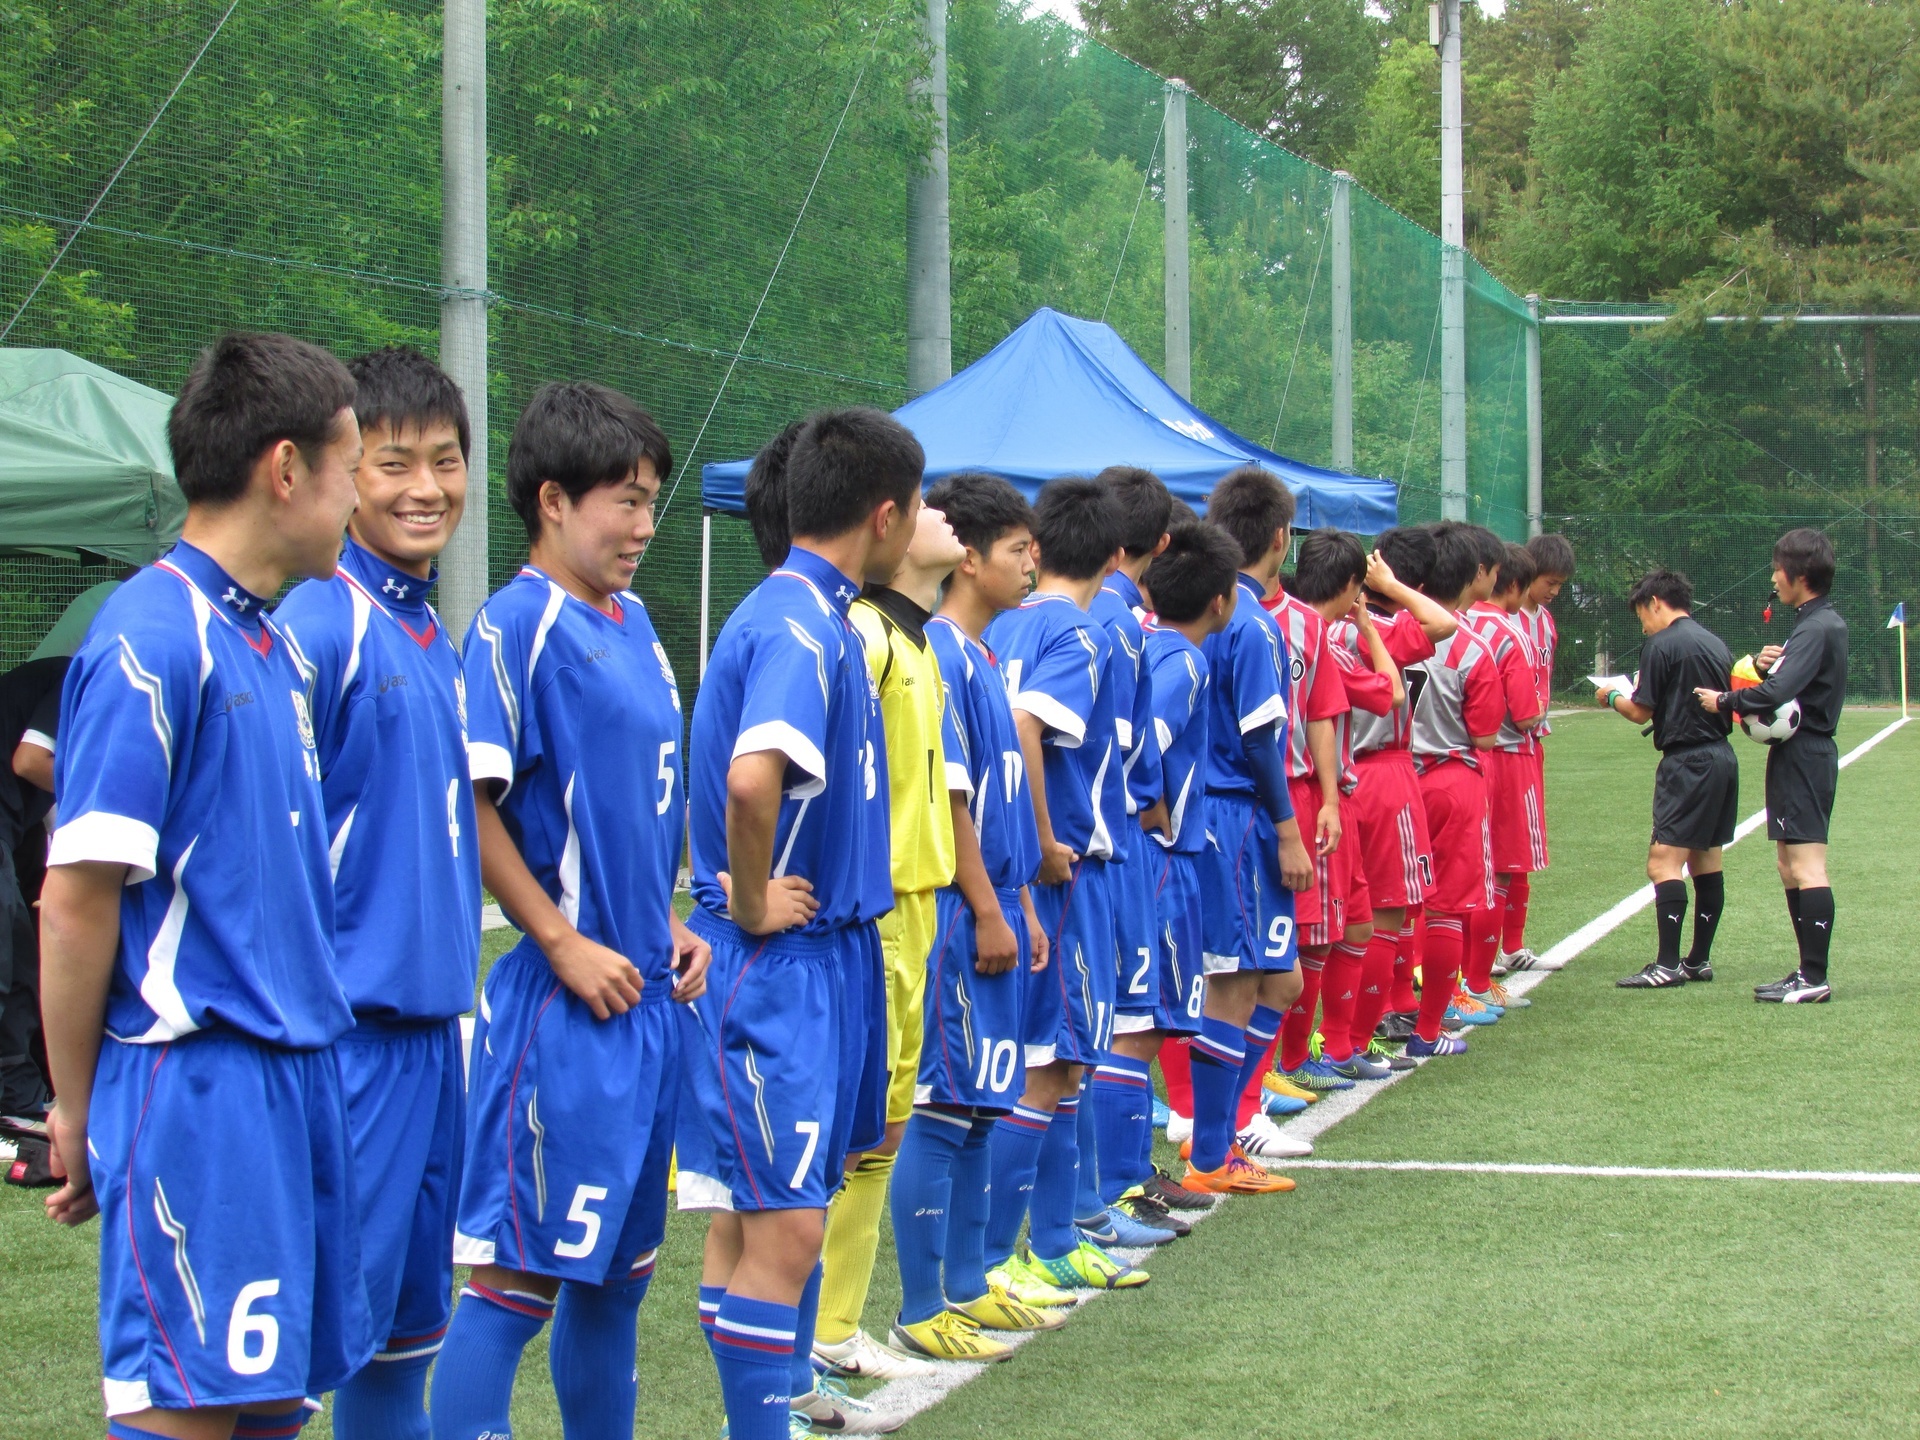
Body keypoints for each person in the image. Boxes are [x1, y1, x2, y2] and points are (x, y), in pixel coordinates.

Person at [41, 332, 367, 1440]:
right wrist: (77, 1108)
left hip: (294, 1080)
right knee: (191, 1409)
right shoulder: (151, 634)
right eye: (352, 466)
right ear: (287, 470)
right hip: (198, 1091)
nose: (361, 496)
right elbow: (78, 897)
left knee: (272, 1402)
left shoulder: (269, 644)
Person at [431, 381, 710, 1440]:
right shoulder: (516, 623)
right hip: (563, 1019)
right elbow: (474, 798)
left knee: (617, 1283)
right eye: (624, 502)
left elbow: (628, 803)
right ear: (552, 500)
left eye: (651, 502)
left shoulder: (632, 617)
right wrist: (561, 942)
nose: (643, 527)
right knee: (516, 1286)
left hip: (648, 1002)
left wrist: (667, 924)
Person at [680, 407, 912, 1440]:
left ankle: (771, 1414)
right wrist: (745, 892)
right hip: (781, 962)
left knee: (764, 1215)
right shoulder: (795, 622)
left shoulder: (823, 616)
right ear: (887, 514)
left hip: (826, 960)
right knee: (785, 1229)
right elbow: (749, 782)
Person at [275, 347, 480, 1440]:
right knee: (296, 1366)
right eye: (393, 462)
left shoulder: (422, 626)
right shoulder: (321, 619)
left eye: (444, 462)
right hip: (349, 1044)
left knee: (404, 1346)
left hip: (429, 1042)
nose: (424, 488)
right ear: (344, 472)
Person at [887, 470, 1069, 1359]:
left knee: (983, 1105)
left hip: (998, 907)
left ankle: (966, 1283)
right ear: (967, 556)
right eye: (1014, 551)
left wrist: (1023, 901)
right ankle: (922, 1303)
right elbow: (948, 800)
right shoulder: (940, 654)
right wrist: (989, 907)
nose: (1029, 566)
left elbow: (992, 800)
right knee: (944, 1104)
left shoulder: (984, 654)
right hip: (961, 919)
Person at [982, 476, 1153, 1292]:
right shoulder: (1077, 636)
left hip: (1002, 872)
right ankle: (1026, 1248)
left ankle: (1040, 1239)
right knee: (1056, 1064)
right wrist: (1045, 838)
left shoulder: (1000, 627)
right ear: (1117, 555)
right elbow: (1025, 731)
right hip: (1056, 873)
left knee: (1046, 1061)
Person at [811, 498, 968, 1375]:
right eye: (925, 507)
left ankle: (836, 1325)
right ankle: (820, 1327)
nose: (940, 518)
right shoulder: (864, 634)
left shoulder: (921, 638)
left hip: (923, 906)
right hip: (879, 913)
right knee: (855, 1131)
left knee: (888, 1127)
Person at [1183, 466, 1313, 1195]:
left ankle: (1230, 1123)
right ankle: (1212, 1151)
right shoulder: (1251, 622)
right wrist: (1287, 829)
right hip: (1235, 814)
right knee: (1232, 984)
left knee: (1278, 978)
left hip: (1210, 808)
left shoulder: (1191, 613)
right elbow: (1262, 740)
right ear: (1279, 539)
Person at [1137, 522, 1260, 1176]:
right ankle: (1207, 1149)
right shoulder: (1183, 660)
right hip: (1174, 855)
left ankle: (1213, 1144)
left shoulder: (1154, 643)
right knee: (1195, 1000)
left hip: (1176, 850)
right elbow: (1145, 744)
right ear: (1222, 600)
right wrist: (1153, 807)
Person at [1085, 465, 1185, 1246]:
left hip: (1073, 846)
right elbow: (1131, 747)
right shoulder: (1118, 622)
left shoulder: (1044, 614)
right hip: (1109, 843)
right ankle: (1109, 1187)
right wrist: (1151, 808)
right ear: (1157, 543)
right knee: (1122, 1022)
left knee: (1098, 1024)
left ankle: (1105, 1186)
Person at [1697, 527, 1849, 1003]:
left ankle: (1815, 976)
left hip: (1808, 754)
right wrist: (1766, 667)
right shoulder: (1813, 623)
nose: (1773, 578)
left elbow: (1781, 695)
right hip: (1797, 755)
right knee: (1788, 864)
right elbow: (1786, 681)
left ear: (1799, 575)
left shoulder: (1818, 626)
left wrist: (1725, 699)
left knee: (1806, 864)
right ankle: (1806, 970)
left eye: (1778, 569)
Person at [1330, 533, 1456, 1058]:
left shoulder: (1326, 629)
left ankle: (1337, 1038)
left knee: (1344, 917)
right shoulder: (1387, 627)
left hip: (1337, 775)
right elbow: (1445, 623)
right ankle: (1359, 1037)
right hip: (1385, 775)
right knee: (1387, 914)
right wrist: (1396, 589)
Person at [1287, 530, 1405, 1083]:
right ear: (1354, 585)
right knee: (1315, 934)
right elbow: (1391, 693)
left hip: (1336, 797)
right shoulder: (1323, 636)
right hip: (1316, 796)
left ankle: (1334, 1047)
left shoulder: (1308, 629)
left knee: (1352, 926)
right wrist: (1365, 628)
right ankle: (1298, 1057)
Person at [1599, 569, 1735, 989]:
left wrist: (1613, 696)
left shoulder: (1660, 644)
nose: (1642, 625)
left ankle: (1667, 963)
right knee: (1706, 861)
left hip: (1687, 762)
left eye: (1642, 614)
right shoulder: (1714, 641)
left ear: (1655, 602)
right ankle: (1697, 960)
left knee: (1663, 863)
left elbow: (1641, 711)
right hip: (1721, 759)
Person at [1404, 521, 1507, 1057]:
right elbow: (1487, 733)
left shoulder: (1390, 626)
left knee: (1393, 908)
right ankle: (1427, 1029)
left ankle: (1394, 1010)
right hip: (1450, 777)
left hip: (1396, 776)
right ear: (1471, 577)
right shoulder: (1471, 645)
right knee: (1445, 908)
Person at [1260, 519, 1351, 1098]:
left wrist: (1330, 799)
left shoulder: (1307, 624)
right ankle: (1250, 1077)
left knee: (1301, 938)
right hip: (1234, 798)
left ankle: (1277, 1064)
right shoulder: (1210, 613)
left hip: (1297, 791)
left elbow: (1321, 715)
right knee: (1251, 950)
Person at [1461, 542, 1545, 1016]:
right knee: (1503, 870)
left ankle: (1450, 980)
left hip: (1449, 758)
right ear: (1507, 582)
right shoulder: (1510, 634)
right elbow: (1526, 712)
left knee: (1455, 874)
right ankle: (1478, 978)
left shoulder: (1449, 620)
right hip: (1505, 758)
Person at [0, 654, 66, 1124]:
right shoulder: (79, 677)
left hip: (16, 830)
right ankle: (14, 1100)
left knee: (26, 950)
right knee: (11, 954)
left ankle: (30, 1091)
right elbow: (30, 761)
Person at [1506, 532, 1575, 969]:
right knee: (1501, 851)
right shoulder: (1502, 619)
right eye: (1549, 582)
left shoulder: (1545, 622)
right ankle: (1490, 953)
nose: (1553, 591)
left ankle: (1512, 946)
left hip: (1531, 743)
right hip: (1503, 745)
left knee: (1522, 852)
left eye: (1560, 585)